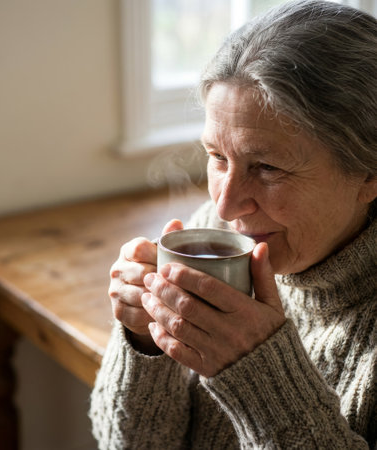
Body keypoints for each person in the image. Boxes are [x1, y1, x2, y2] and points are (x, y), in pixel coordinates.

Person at [90, 0, 377, 448]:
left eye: (266, 167)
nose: (225, 207)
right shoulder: (218, 237)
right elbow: (125, 443)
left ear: (368, 174)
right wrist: (146, 343)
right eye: (217, 157)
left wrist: (263, 379)